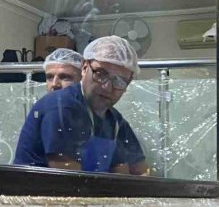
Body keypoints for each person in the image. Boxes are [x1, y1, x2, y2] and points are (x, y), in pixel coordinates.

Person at [14, 35, 149, 174]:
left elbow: (137, 170)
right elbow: (70, 179)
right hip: (42, 192)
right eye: (100, 74)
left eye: (119, 81)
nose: (107, 87)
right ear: (84, 68)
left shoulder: (114, 120)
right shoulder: (61, 107)